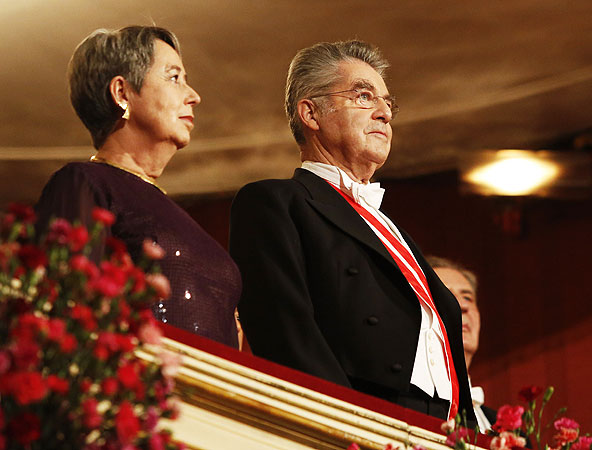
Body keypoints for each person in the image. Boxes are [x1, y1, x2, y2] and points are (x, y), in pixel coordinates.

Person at [229, 40, 473, 420]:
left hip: (445, 428)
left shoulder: (392, 228)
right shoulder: (276, 203)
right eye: (364, 96)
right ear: (311, 114)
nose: (384, 114)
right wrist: (350, 425)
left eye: (388, 103)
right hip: (363, 419)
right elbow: (287, 336)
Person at [35, 26, 242, 348]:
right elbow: (65, 313)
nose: (193, 95)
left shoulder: (170, 212)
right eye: (174, 78)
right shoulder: (83, 183)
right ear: (122, 93)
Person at [427, 256, 495, 430]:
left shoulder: (511, 431)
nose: (462, 307)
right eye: (446, 295)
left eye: (467, 298)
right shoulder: (401, 404)